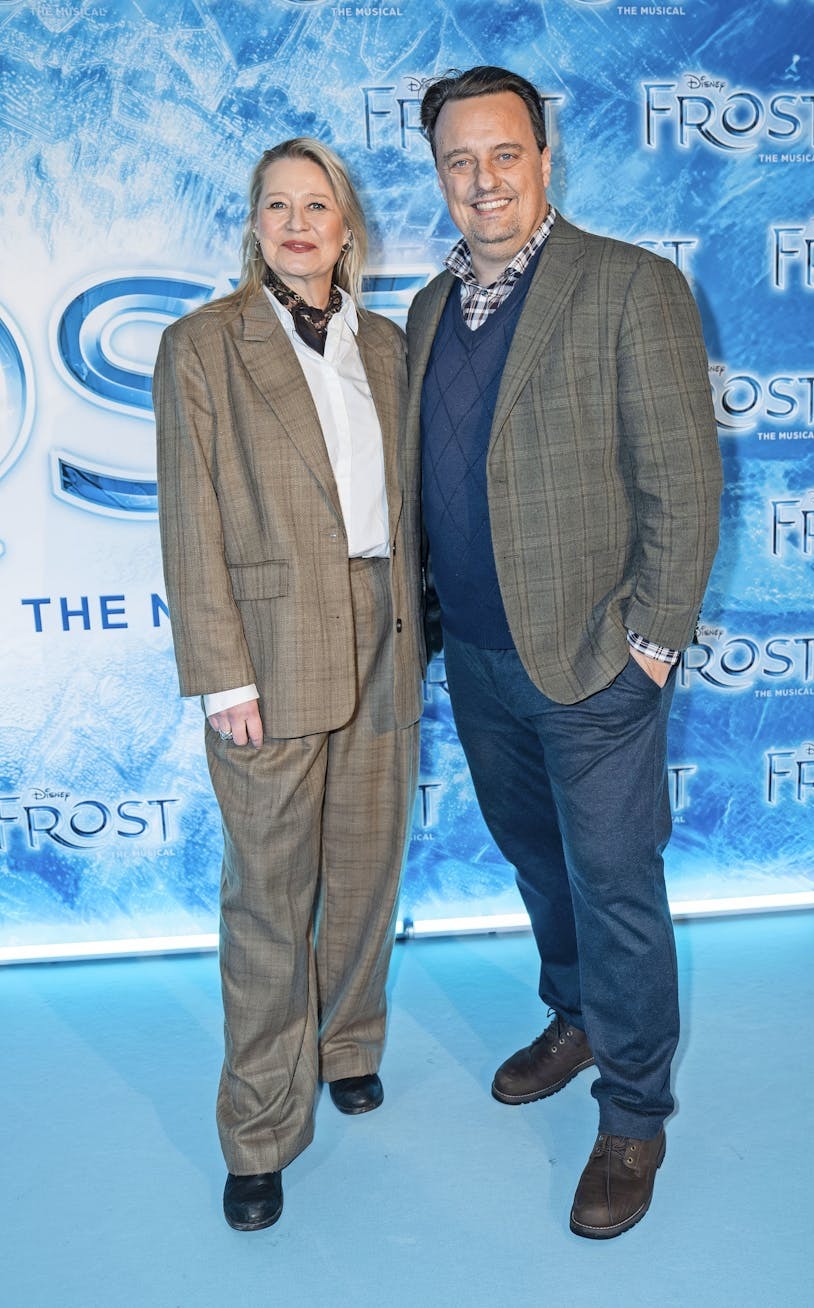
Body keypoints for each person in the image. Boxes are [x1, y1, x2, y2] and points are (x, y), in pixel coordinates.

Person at [408, 67, 722, 1239]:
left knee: (615, 887)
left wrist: (651, 647)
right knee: (540, 866)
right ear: (438, 175)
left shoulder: (630, 285)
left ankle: (634, 1113)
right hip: (480, 661)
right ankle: (578, 1015)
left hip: (595, 665)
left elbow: (684, 482)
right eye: (458, 160)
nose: (482, 179)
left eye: (504, 153)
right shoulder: (428, 310)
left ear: (544, 159)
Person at [154, 138, 424, 1232]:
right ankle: (260, 1130)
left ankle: (347, 1044)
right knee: (269, 899)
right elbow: (191, 521)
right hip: (267, 649)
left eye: (319, 205)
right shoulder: (202, 344)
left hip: (384, 629)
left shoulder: (389, 347)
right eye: (279, 206)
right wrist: (222, 674)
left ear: (347, 227)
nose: (299, 224)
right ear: (255, 225)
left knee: (365, 866)